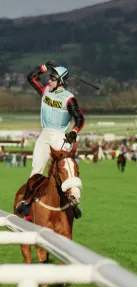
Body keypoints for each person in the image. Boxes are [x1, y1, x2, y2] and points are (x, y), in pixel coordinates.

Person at [16, 61, 85, 219]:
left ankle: (74, 205)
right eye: (49, 78)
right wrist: (44, 67)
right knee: (36, 170)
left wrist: (74, 132)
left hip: (60, 136)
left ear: (60, 81)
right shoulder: (46, 91)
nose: (49, 81)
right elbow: (31, 78)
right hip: (44, 135)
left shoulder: (69, 98)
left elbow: (80, 118)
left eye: (52, 78)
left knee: (65, 170)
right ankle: (26, 202)